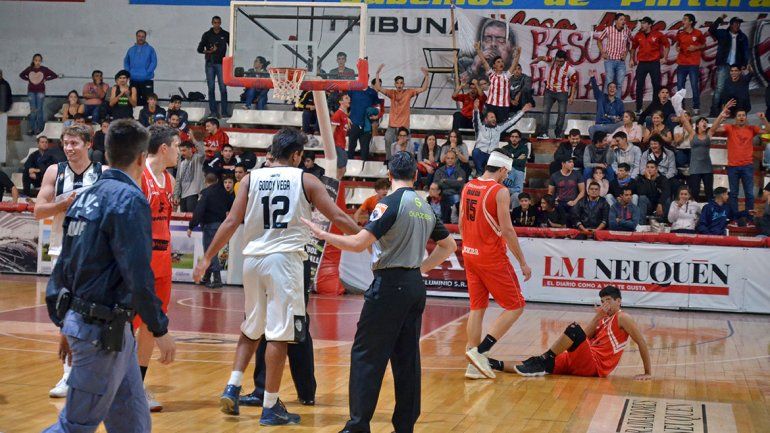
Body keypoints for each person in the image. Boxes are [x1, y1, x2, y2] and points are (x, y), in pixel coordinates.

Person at [193, 128, 361, 424]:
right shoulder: (306, 179)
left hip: (253, 260)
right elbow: (337, 217)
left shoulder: (249, 179)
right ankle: (270, 405)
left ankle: (232, 386)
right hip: (285, 261)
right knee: (280, 333)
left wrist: (207, 258)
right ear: (297, 155)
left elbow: (232, 221)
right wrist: (366, 238)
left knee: (251, 326)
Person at [303, 151, 455, 433]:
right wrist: (421, 268)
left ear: (389, 175)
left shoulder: (388, 204)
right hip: (413, 286)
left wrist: (323, 235)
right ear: (416, 175)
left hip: (389, 286)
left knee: (366, 355)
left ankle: (358, 425)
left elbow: (360, 243)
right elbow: (449, 247)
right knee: (407, 357)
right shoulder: (425, 206)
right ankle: (405, 424)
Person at [41, 119, 176, 433]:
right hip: (99, 331)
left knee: (134, 425)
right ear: (142, 158)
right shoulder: (130, 201)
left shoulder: (83, 197)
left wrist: (64, 321)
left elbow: (64, 268)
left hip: (115, 332)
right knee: (75, 426)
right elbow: (138, 275)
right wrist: (159, 329)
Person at [33, 126, 106, 398]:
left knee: (92, 313)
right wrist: (61, 206)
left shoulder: (103, 172)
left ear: (87, 144)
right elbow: (38, 211)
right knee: (65, 314)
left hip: (94, 252)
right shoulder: (55, 171)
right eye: (66, 143)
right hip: (62, 250)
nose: (69, 148)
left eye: (75, 143)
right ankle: (67, 375)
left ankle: (94, 372)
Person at [459, 149, 531, 379]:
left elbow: (461, 221)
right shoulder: (500, 191)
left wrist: (469, 244)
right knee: (516, 305)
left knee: (477, 307)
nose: (506, 176)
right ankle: (480, 352)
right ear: (501, 169)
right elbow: (508, 230)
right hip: (491, 256)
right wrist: (522, 262)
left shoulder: (468, 186)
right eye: (506, 172)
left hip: (469, 252)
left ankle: (473, 365)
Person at [508, 286, 651, 380]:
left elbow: (642, 342)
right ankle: (493, 364)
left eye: (608, 300)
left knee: (573, 329)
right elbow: (585, 336)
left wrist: (647, 373)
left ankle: (544, 359)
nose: (604, 304)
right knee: (533, 362)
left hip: (596, 366)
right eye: (602, 301)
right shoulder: (603, 319)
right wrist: (597, 318)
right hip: (585, 359)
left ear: (618, 301)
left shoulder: (622, 317)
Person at [133, 125, 178, 412]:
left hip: (164, 261)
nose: (179, 150)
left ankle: (138, 388)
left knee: (151, 325)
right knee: (127, 324)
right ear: (164, 148)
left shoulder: (170, 180)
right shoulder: (140, 177)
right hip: (143, 258)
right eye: (176, 145)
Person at [712, 101, 769, 214]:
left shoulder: (752, 129)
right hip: (733, 166)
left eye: (743, 115)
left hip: (747, 166)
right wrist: (722, 115)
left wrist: (764, 119)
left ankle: (749, 218)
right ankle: (734, 217)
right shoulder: (729, 128)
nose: (741, 117)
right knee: (733, 193)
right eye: (739, 115)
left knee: (749, 193)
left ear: (746, 117)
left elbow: (768, 131)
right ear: (735, 118)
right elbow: (713, 129)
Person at [374, 64, 429, 159]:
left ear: (403, 84)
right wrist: (377, 73)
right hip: (392, 125)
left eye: (401, 83)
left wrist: (427, 76)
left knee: (406, 147)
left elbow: (424, 88)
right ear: (395, 84)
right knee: (387, 139)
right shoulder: (392, 93)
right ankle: (389, 161)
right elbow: (378, 88)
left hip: (404, 126)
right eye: (397, 83)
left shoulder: (409, 92)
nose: (399, 85)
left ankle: (407, 161)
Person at [188, 173, 233, 288]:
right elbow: (231, 206)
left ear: (206, 181)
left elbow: (199, 210)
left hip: (210, 226)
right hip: (222, 226)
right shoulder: (224, 193)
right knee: (213, 251)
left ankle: (217, 279)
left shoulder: (205, 193)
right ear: (217, 180)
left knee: (210, 252)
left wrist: (191, 226)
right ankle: (206, 277)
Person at [472, 100, 531, 173]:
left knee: (497, 155)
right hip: (481, 154)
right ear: (486, 120)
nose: (494, 119)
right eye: (491, 117)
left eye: (494, 117)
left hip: (492, 155)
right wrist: (476, 109)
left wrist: (522, 111)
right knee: (476, 152)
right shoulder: (480, 128)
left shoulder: (499, 128)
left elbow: (511, 122)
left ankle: (487, 175)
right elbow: (476, 119)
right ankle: (479, 173)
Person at [708, 15, 750, 117]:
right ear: (730, 25)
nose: (737, 25)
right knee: (720, 89)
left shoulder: (743, 37)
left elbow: (745, 51)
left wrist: (744, 64)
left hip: (736, 66)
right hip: (723, 65)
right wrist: (719, 19)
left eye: (739, 23)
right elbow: (711, 30)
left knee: (738, 89)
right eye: (735, 23)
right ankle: (714, 112)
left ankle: (737, 111)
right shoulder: (723, 33)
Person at [532, 50, 577, 139]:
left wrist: (571, 96)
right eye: (557, 60)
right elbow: (542, 58)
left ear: (565, 60)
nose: (559, 63)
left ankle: (558, 133)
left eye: (561, 61)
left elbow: (573, 83)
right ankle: (544, 133)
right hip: (549, 91)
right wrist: (538, 59)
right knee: (545, 111)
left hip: (562, 93)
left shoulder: (570, 69)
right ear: (555, 58)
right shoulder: (551, 61)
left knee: (561, 113)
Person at [631, 16, 670, 115]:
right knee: (639, 86)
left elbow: (667, 45)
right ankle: (638, 108)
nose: (642, 25)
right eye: (641, 23)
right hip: (642, 63)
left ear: (649, 24)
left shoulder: (658, 34)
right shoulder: (638, 35)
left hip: (654, 63)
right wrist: (631, 59)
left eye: (644, 23)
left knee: (656, 86)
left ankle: (655, 108)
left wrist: (664, 57)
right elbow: (633, 47)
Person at [473, 42, 521, 122]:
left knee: (501, 127)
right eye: (498, 62)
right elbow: (484, 61)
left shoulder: (507, 75)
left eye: (502, 61)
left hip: (504, 106)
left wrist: (518, 54)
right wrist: (478, 50)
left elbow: (514, 64)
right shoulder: (491, 74)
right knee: (489, 125)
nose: (501, 63)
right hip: (491, 105)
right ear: (494, 66)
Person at [197, 16, 230, 117]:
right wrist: (209, 51)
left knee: (223, 88)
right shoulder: (207, 35)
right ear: (212, 23)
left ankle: (224, 112)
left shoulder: (225, 34)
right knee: (211, 88)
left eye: (218, 23)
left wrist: (230, 60)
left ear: (220, 23)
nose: (217, 24)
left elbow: (232, 46)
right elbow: (199, 49)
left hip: (221, 63)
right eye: (215, 22)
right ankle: (213, 112)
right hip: (210, 63)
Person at [20, 53, 59, 135]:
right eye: (36, 60)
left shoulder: (44, 69)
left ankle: (40, 129)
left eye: (39, 61)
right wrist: (28, 79)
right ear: (33, 61)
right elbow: (21, 75)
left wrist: (46, 79)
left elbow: (54, 75)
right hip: (31, 92)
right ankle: (31, 128)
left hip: (40, 92)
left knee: (39, 110)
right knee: (33, 110)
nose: (37, 62)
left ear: (41, 61)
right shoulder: (29, 69)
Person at [674, 14, 706, 114]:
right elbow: (677, 44)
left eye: (685, 19)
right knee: (680, 87)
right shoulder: (680, 33)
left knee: (694, 86)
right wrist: (677, 48)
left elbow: (704, 45)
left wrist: (696, 48)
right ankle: (681, 108)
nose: (683, 21)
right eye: (683, 19)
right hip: (682, 63)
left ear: (691, 22)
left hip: (693, 64)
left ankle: (696, 107)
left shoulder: (698, 33)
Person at [679, 112, 714, 201]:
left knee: (709, 192)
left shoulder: (709, 134)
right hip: (695, 168)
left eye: (706, 121)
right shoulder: (692, 134)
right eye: (702, 121)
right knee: (694, 192)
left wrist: (722, 114)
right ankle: (693, 212)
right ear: (697, 125)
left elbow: (716, 124)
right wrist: (679, 109)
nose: (704, 123)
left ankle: (710, 211)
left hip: (707, 168)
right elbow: (685, 121)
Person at [348, 78, 381, 161]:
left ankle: (363, 169)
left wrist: (377, 115)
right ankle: (348, 170)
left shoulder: (372, 92)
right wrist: (346, 116)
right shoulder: (353, 90)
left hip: (366, 126)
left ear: (368, 77)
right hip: (354, 123)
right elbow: (345, 102)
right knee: (351, 148)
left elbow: (377, 106)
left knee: (365, 151)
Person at [596, 13, 631, 89]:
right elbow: (599, 41)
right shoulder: (608, 29)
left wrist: (626, 53)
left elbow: (628, 43)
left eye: (624, 20)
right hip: (610, 61)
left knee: (619, 83)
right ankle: (607, 100)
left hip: (621, 62)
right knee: (609, 82)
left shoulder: (627, 31)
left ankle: (617, 100)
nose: (623, 21)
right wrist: (602, 52)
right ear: (616, 21)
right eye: (621, 19)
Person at [124, 29, 157, 106]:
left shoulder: (150, 49)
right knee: (134, 100)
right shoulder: (131, 49)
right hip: (133, 79)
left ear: (145, 38)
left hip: (146, 79)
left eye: (143, 36)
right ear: (136, 37)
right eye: (139, 36)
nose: (141, 38)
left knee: (148, 101)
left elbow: (154, 62)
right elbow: (126, 61)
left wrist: (147, 72)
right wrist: (129, 72)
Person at [588, 69, 624, 140]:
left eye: (614, 87)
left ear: (616, 90)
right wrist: (592, 78)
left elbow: (622, 115)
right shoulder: (601, 97)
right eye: (610, 87)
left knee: (622, 123)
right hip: (601, 125)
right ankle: (596, 146)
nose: (612, 89)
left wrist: (619, 119)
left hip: (613, 125)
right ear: (607, 89)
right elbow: (595, 88)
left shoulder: (619, 102)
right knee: (592, 129)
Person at [433, 150, 468, 223]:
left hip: (455, 195)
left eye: (452, 158)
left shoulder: (461, 171)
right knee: (444, 199)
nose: (450, 160)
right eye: (448, 158)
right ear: (445, 159)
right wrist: (454, 182)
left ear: (455, 159)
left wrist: (445, 181)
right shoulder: (439, 171)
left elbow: (460, 184)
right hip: (443, 195)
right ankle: (446, 223)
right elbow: (436, 184)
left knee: (455, 199)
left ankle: (454, 223)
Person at [174, 140, 205, 213]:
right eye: (181, 151)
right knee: (184, 221)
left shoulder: (197, 159)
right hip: (183, 195)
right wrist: (176, 195)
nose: (182, 153)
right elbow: (178, 180)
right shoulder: (181, 163)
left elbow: (202, 152)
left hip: (194, 194)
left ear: (190, 149)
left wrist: (195, 139)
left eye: (184, 150)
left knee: (192, 219)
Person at [500, 129, 529, 203]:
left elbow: (522, 163)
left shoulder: (524, 148)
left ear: (519, 138)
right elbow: (504, 162)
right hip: (508, 171)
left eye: (516, 137)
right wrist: (517, 158)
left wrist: (510, 158)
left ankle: (510, 191)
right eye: (512, 137)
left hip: (519, 171)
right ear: (510, 138)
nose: (514, 139)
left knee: (517, 195)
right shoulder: (505, 148)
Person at [332, 94, 352, 179]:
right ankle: (334, 187)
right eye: (346, 98)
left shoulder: (344, 115)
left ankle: (335, 186)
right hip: (337, 144)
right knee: (341, 169)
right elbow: (331, 131)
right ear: (340, 102)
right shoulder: (337, 114)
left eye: (349, 97)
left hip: (342, 144)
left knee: (343, 169)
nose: (349, 99)